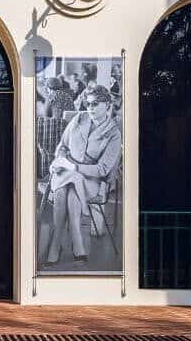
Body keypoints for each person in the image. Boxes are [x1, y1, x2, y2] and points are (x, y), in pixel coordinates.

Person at [39, 84, 121, 268]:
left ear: (108, 105)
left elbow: (102, 170)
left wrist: (72, 166)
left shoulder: (114, 133)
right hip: (66, 172)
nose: (90, 108)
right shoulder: (78, 118)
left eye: (95, 104)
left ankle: (56, 246)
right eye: (88, 103)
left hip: (92, 181)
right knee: (66, 191)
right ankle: (78, 246)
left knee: (68, 190)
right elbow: (62, 146)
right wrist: (58, 160)